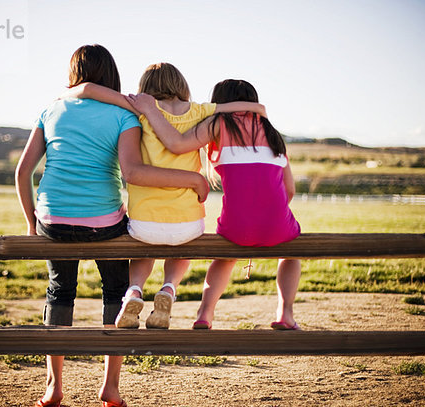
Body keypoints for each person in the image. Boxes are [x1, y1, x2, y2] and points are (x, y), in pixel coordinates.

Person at [15, 45, 209, 407]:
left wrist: (32, 223)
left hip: (52, 221)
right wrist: (192, 179)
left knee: (59, 292)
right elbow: (133, 171)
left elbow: (23, 171)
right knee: (116, 291)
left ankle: (53, 388)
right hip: (104, 222)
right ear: (112, 74)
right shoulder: (125, 115)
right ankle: (111, 387)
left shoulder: (51, 108)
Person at [62, 64, 266, 330]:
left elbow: (88, 89)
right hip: (187, 223)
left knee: (144, 245)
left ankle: (135, 290)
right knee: (182, 245)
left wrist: (67, 95)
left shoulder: (140, 108)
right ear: (181, 85)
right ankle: (169, 288)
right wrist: (258, 109)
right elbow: (236, 108)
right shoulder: (199, 110)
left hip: (144, 222)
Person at [127, 79, 302, 330]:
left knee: (224, 257)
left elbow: (176, 145)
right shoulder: (273, 133)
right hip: (277, 225)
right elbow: (290, 190)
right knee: (291, 252)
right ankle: (285, 313)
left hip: (236, 227)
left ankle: (205, 313)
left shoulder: (219, 123)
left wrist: (151, 111)